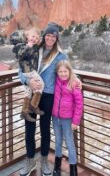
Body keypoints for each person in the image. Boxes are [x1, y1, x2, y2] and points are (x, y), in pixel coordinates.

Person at [18, 22, 81, 176]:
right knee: (29, 129)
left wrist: (77, 79)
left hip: (48, 97)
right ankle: (30, 159)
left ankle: (45, 159)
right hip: (32, 94)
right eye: (48, 35)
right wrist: (27, 81)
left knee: (45, 129)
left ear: (57, 38)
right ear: (44, 35)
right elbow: (20, 70)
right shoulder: (33, 49)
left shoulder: (60, 55)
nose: (50, 38)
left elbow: (67, 71)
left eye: (54, 36)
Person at [52, 60, 83, 176]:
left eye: (65, 71)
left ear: (70, 71)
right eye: (60, 71)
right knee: (58, 142)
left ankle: (73, 170)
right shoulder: (55, 81)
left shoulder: (73, 83)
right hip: (55, 117)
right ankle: (57, 166)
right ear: (57, 72)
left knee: (70, 144)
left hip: (67, 119)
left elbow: (79, 104)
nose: (63, 74)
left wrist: (75, 121)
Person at [11, 27, 45, 122]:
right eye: (33, 36)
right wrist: (28, 46)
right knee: (41, 85)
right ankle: (33, 105)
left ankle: (24, 112)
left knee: (28, 92)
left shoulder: (34, 47)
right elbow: (20, 56)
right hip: (29, 71)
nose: (34, 39)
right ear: (27, 36)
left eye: (36, 38)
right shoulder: (23, 46)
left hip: (27, 72)